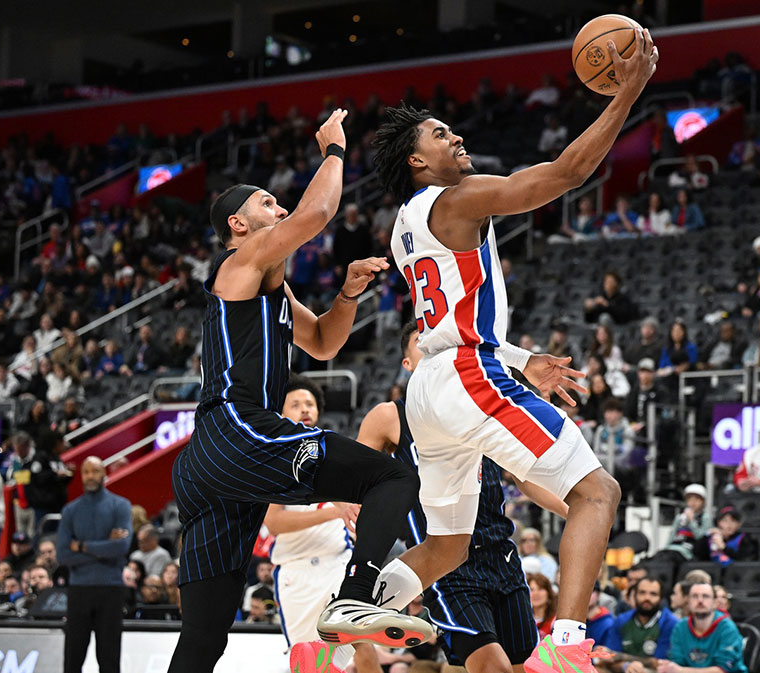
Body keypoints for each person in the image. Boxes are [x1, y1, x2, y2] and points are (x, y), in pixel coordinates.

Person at [374, 31, 657, 671]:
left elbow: (447, 318)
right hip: (470, 378)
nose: (456, 138)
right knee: (597, 494)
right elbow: (566, 174)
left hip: (431, 393)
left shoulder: (404, 228)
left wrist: (520, 355)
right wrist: (630, 89)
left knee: (446, 548)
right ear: (418, 163)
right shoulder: (456, 199)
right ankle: (566, 650)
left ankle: (359, 598)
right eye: (441, 135)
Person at [170, 109, 432, 672]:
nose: (280, 209)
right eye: (266, 203)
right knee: (392, 477)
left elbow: (321, 344)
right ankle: (357, 597)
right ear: (238, 225)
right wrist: (334, 152)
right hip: (236, 429)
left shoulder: (270, 281)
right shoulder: (241, 262)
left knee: (205, 635)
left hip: (212, 463)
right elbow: (316, 210)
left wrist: (348, 293)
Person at [355, 325, 569, 673]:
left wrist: (570, 509)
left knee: (519, 668)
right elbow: (354, 474)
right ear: (408, 363)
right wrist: (347, 503)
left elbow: (524, 476)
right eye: (425, 347)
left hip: (501, 555)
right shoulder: (390, 415)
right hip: (445, 561)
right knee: (491, 667)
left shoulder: (482, 408)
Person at [264, 375, 375, 673]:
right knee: (312, 662)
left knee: (363, 647)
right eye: (296, 404)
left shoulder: (333, 453)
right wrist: (332, 512)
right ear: (281, 412)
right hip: (298, 572)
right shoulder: (272, 460)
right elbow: (274, 522)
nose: (305, 409)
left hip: (338, 563)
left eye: (310, 404)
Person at [56, 456, 132, 673]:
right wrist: (105, 547)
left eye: (95, 471)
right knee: (73, 658)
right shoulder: (70, 510)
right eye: (86, 472)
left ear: (104, 473)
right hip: (79, 589)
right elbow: (63, 556)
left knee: (109, 659)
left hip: (111, 589)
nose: (91, 476)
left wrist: (80, 546)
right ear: (81, 476)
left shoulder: (120, 505)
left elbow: (121, 547)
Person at [662, 582, 746, 673]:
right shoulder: (680, 628)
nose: (700, 600)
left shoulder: (727, 628)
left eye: (705, 596)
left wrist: (681, 670)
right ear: (688, 602)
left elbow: (723, 670)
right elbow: (676, 663)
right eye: (694, 596)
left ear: (714, 602)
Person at [600, 577, 677, 673]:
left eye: (653, 594)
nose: (647, 598)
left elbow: (659, 664)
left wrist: (620, 657)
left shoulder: (670, 623)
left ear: (660, 598)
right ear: (634, 595)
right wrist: (625, 666)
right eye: (642, 592)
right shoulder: (622, 620)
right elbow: (609, 660)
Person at [529, 573, 558, 638]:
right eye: (532, 590)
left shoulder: (555, 620)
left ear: (549, 592)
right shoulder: (524, 619)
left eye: (540, 589)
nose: (535, 593)